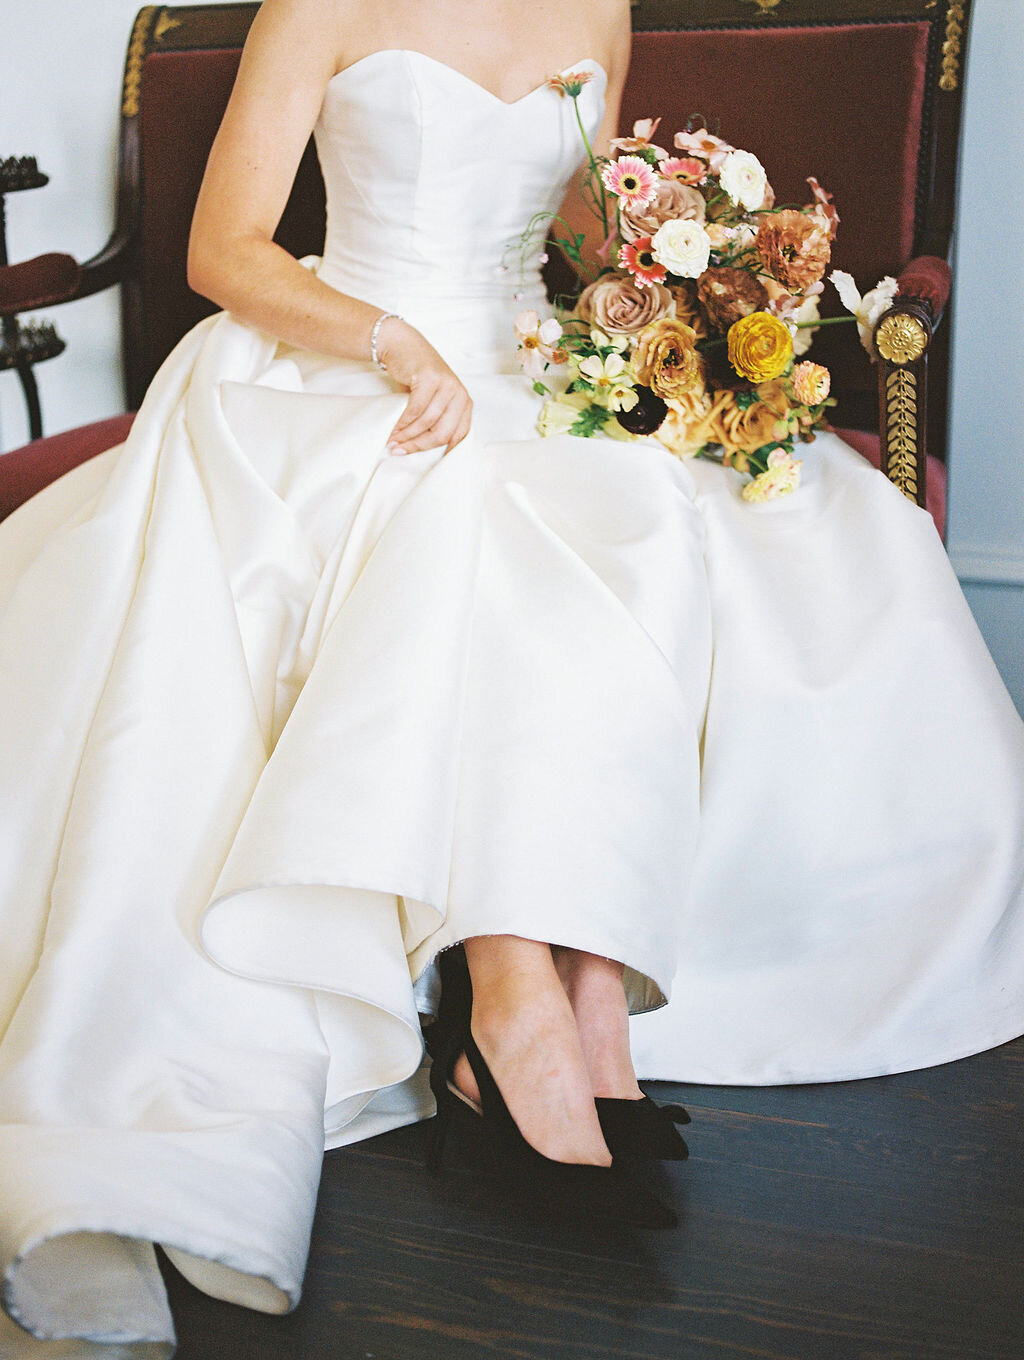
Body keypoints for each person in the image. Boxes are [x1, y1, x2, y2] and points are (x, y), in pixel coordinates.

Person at [1, 0, 1023, 1348]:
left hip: (535, 362)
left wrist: (673, 284)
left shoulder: (595, 1)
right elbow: (220, 250)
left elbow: (582, 244)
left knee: (654, 510)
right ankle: (509, 990)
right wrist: (388, 342)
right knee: (461, 517)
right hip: (349, 360)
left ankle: (592, 985)